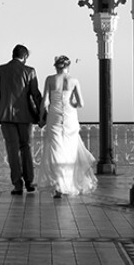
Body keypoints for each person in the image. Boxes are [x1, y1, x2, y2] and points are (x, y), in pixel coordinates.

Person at [38, 55, 97, 198]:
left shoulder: (50, 79)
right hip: (70, 116)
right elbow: (81, 104)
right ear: (68, 66)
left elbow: (45, 101)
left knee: (56, 148)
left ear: (56, 66)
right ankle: (68, 183)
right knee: (70, 150)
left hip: (54, 116)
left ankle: (59, 185)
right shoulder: (74, 80)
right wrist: (71, 103)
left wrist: (41, 117)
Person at [0, 44, 43, 195]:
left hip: (5, 116)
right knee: (26, 147)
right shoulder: (29, 71)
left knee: (12, 149)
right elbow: (35, 95)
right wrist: (41, 115)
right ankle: (29, 182)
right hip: (25, 116)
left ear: (13, 54)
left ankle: (17, 185)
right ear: (25, 57)